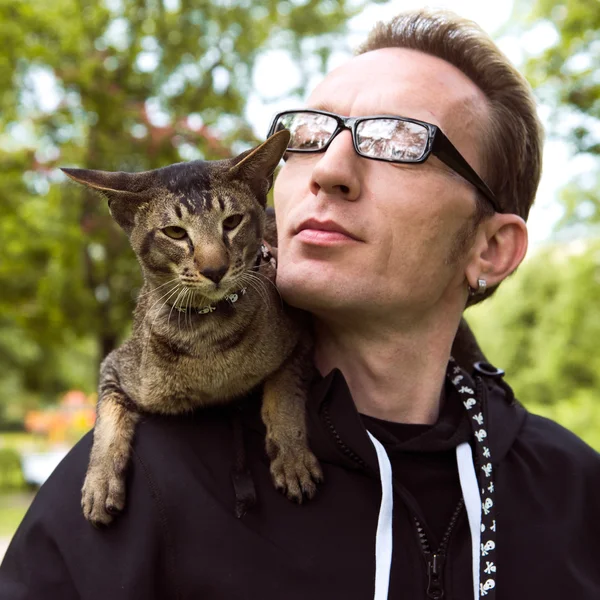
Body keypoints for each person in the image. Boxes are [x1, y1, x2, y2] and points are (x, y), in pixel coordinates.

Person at [1, 9, 599, 600]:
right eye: (309, 135)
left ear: (491, 249)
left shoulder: (575, 496)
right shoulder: (144, 476)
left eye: (398, 141)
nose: (329, 170)